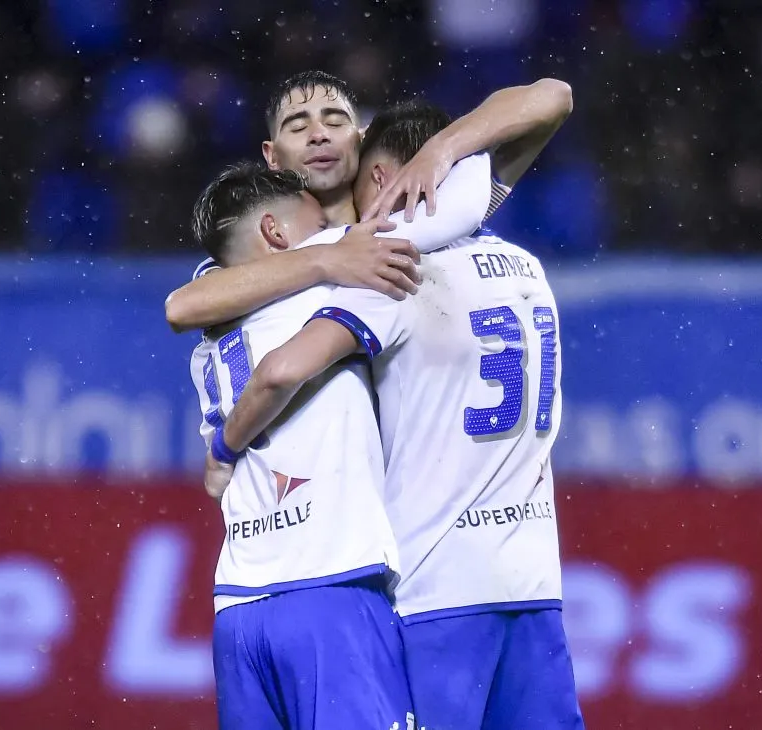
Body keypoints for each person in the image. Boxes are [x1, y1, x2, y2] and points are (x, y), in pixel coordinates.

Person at [205, 102, 584, 730]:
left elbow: (280, 368)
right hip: (532, 583)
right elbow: (550, 97)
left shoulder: (397, 275)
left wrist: (224, 447)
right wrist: (449, 149)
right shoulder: (527, 268)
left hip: (436, 589)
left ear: (383, 181)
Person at [190, 151, 492, 729]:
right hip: (328, 590)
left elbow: (184, 302)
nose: (333, 231)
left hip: (239, 608)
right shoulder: (320, 272)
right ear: (276, 234)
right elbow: (478, 188)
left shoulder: (214, 325)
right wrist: (443, 151)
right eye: (318, 221)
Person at [164, 70, 573, 333]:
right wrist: (326, 259)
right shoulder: (264, 245)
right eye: (297, 126)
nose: (319, 134)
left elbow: (552, 96)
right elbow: (183, 307)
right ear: (272, 157)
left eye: (335, 121)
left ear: (359, 138)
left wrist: (441, 149)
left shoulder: (425, 212)